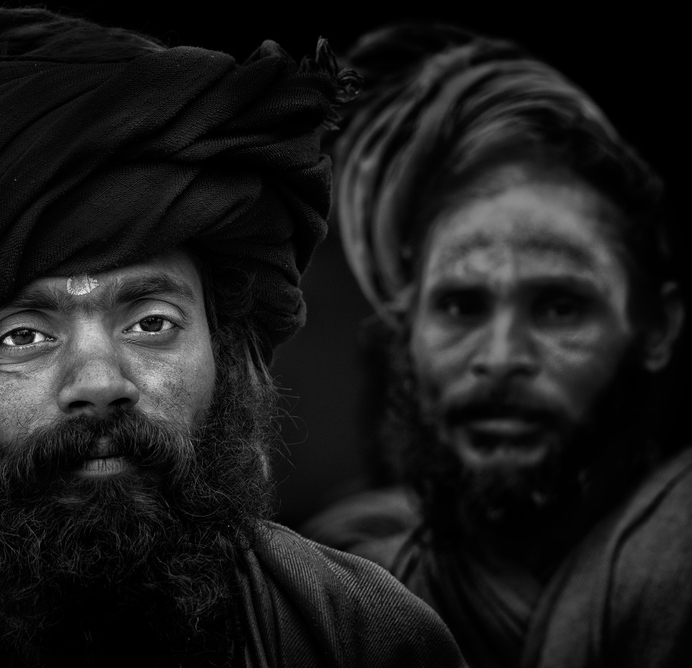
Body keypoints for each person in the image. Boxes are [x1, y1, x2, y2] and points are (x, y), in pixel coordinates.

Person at [0, 8, 467, 667]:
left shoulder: (369, 637)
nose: (99, 378)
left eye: (152, 323)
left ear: (225, 354)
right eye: (24, 336)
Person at [304, 22, 691, 667]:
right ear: (406, 330)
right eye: (461, 306)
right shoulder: (327, 602)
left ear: (658, 326)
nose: (503, 356)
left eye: (561, 306)